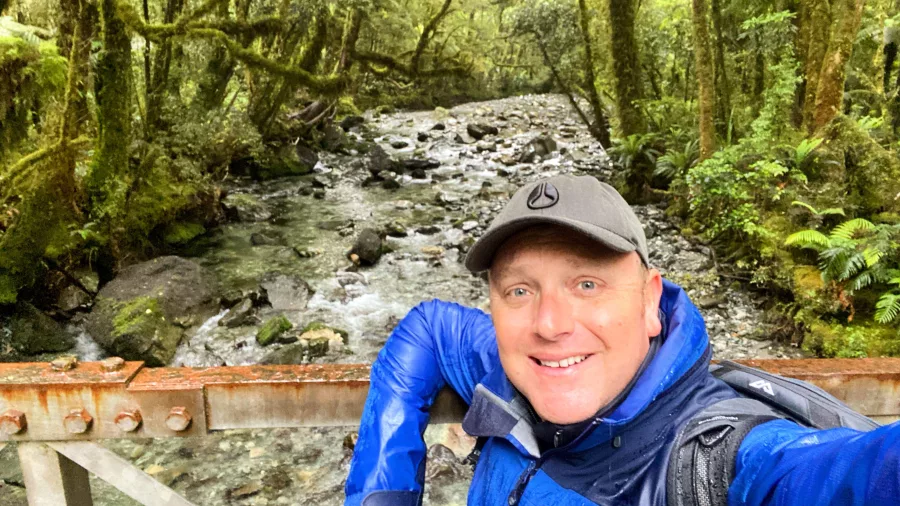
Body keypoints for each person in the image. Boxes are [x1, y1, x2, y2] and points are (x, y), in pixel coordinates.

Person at [344, 174, 900, 506]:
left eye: (587, 284)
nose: (550, 324)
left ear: (649, 303)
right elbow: (429, 328)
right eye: (519, 290)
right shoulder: (511, 363)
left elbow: (847, 477)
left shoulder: (715, 463)